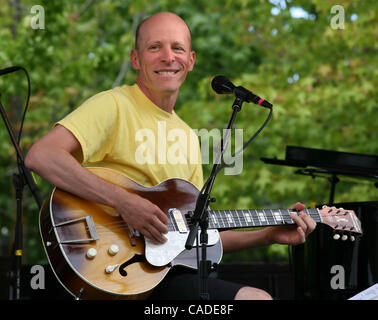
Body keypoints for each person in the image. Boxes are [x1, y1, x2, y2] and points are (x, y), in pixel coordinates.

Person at [25, 11, 316, 300]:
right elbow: (42, 156)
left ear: (190, 60)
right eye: (155, 47)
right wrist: (124, 202)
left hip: (163, 275)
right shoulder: (113, 105)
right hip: (112, 269)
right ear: (135, 59)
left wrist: (266, 235)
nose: (168, 57)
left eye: (177, 48)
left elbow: (195, 232)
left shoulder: (189, 136)